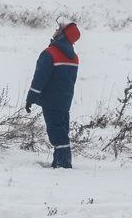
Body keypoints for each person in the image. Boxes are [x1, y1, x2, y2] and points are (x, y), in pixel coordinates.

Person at [25, 17, 81, 169]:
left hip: (51, 101)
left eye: (59, 29)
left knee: (56, 133)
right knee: (62, 130)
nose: (56, 31)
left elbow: (40, 78)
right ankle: (58, 161)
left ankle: (63, 163)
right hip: (65, 101)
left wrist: (31, 98)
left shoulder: (51, 53)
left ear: (62, 35)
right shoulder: (74, 57)